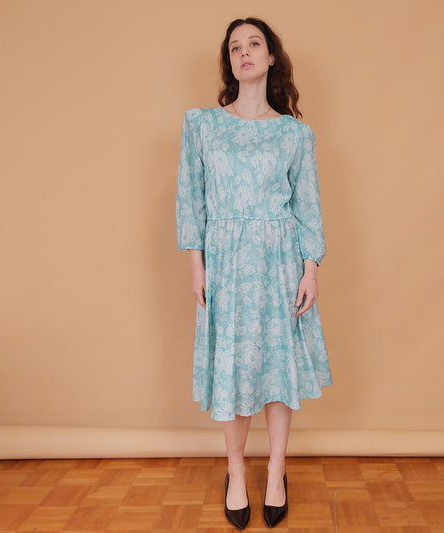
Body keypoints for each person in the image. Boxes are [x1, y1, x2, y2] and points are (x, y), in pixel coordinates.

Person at [175, 17, 332, 530]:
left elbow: (307, 207)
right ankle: (237, 470)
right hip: (225, 265)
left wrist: (310, 271)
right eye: (235, 47)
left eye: (254, 44)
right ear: (230, 62)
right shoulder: (202, 125)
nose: (244, 52)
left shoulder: (294, 134)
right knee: (235, 369)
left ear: (270, 58)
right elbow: (191, 200)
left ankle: (278, 471)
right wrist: (196, 265)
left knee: (278, 370)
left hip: (280, 262)